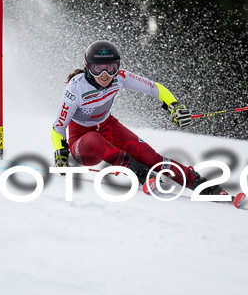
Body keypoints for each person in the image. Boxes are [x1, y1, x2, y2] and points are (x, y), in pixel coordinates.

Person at [51, 39, 229, 197]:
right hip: (83, 145)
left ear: (118, 66)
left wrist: (174, 106)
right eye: (98, 69)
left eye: (111, 68)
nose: (104, 75)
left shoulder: (119, 78)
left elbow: (154, 87)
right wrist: (61, 156)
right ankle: (139, 172)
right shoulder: (75, 90)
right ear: (88, 67)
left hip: (108, 126)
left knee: (151, 157)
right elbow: (58, 127)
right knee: (93, 139)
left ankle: (201, 185)